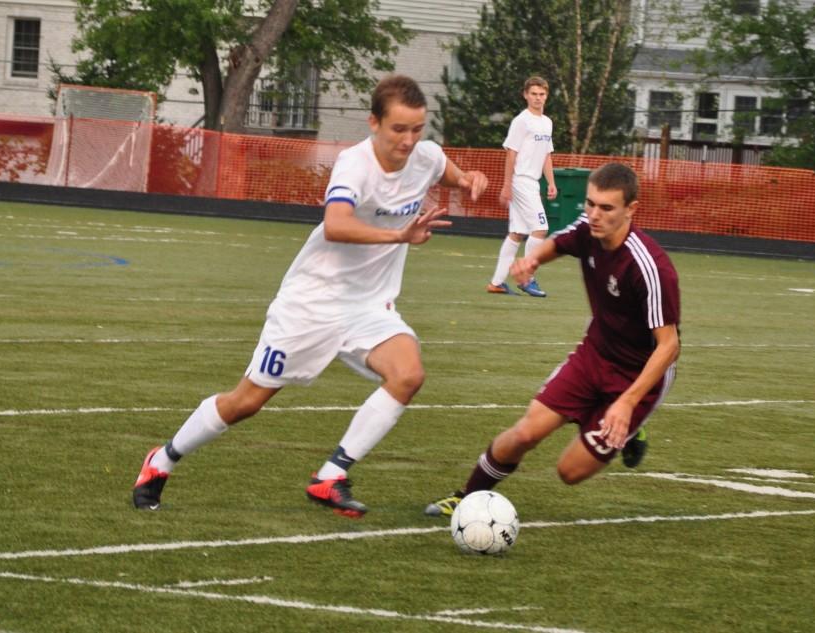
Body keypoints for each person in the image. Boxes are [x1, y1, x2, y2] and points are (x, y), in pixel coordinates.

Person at [133, 75, 488, 518]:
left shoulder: (426, 156)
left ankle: (330, 476)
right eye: (399, 129)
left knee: (408, 374)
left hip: (368, 306)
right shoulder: (354, 164)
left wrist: (471, 178)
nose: (409, 140)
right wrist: (399, 234)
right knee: (246, 402)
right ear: (373, 122)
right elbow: (337, 224)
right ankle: (161, 461)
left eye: (417, 129)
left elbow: (449, 173)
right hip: (312, 301)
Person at [426, 162, 679, 517]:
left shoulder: (649, 266)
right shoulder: (587, 229)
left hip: (637, 377)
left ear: (630, 210)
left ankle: (632, 424)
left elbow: (669, 346)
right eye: (590, 204)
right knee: (526, 432)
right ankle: (466, 497)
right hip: (595, 355)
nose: (594, 214)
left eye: (606, 208)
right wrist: (531, 262)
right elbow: (558, 244)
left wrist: (626, 402)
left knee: (569, 472)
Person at [487, 76, 557, 298]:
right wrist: (507, 184)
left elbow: (547, 154)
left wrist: (552, 182)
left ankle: (497, 283)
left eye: (542, 94)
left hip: (533, 182)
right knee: (541, 228)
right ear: (525, 95)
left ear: (546, 96)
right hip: (521, 181)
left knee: (517, 233)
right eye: (534, 94)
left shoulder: (547, 122)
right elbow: (511, 153)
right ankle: (527, 278)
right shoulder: (521, 121)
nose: (538, 98)